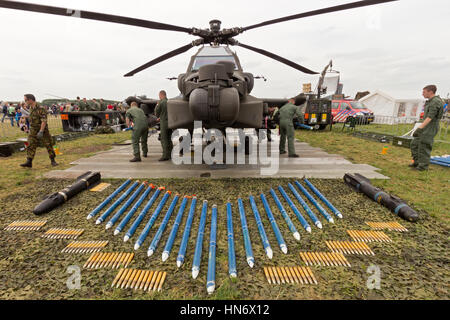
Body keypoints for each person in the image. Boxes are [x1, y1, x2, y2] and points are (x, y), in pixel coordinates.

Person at [410, 85, 445, 171]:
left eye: (424, 92)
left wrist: (420, 128)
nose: (422, 93)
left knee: (424, 146)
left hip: (431, 126)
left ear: (431, 92)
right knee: (414, 144)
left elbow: (430, 117)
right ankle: (417, 162)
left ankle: (423, 167)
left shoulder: (436, 101)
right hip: (425, 124)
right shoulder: (430, 101)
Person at [20, 94, 58, 168]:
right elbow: (33, 117)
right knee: (30, 144)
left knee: (48, 144)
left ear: (30, 100)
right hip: (33, 130)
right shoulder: (31, 108)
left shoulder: (41, 108)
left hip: (42, 129)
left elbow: (44, 120)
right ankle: (29, 161)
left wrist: (41, 131)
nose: (25, 102)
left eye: (26, 100)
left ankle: (53, 160)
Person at [155, 90, 173, 161]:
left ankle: (165, 155)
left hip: (164, 123)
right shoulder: (170, 102)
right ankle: (171, 154)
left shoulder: (161, 102)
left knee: (164, 139)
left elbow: (156, 113)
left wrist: (157, 105)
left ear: (161, 95)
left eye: (159, 96)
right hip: (171, 123)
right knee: (169, 138)